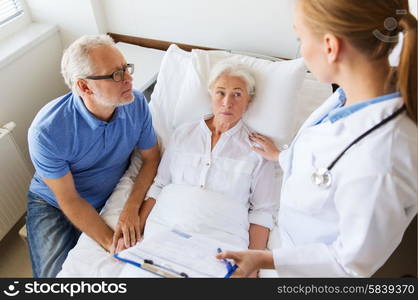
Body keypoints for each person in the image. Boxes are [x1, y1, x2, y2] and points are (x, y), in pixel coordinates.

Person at [217, 0, 417, 277]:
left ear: (330, 47)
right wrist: (281, 156)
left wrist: (265, 260)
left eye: (300, 38)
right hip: (285, 244)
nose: (301, 49)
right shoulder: (348, 96)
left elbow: (349, 263)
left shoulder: (382, 158)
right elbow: (323, 162)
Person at [126, 62, 278, 277]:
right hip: (166, 229)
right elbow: (159, 185)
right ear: (210, 95)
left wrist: (252, 262)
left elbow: (262, 212)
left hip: (221, 239)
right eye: (220, 93)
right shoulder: (182, 134)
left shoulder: (260, 150)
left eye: (237, 94)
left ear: (248, 101)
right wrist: (135, 233)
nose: (227, 102)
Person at [27, 34, 160, 277]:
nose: (129, 79)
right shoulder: (47, 132)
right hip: (54, 202)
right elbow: (69, 199)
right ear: (85, 86)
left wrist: (131, 207)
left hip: (107, 194)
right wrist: (111, 243)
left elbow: (151, 157)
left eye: (126, 68)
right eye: (116, 74)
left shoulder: (136, 104)